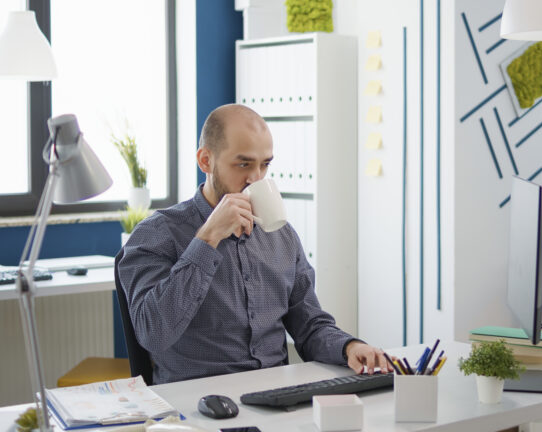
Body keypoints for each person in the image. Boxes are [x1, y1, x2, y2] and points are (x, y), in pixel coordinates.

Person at [118, 104, 391, 384]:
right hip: (199, 403)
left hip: (276, 396)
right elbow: (153, 333)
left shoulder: (281, 236)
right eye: (244, 164)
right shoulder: (157, 233)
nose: (256, 178)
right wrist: (208, 239)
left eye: (265, 164)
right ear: (205, 161)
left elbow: (309, 326)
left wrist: (349, 347)